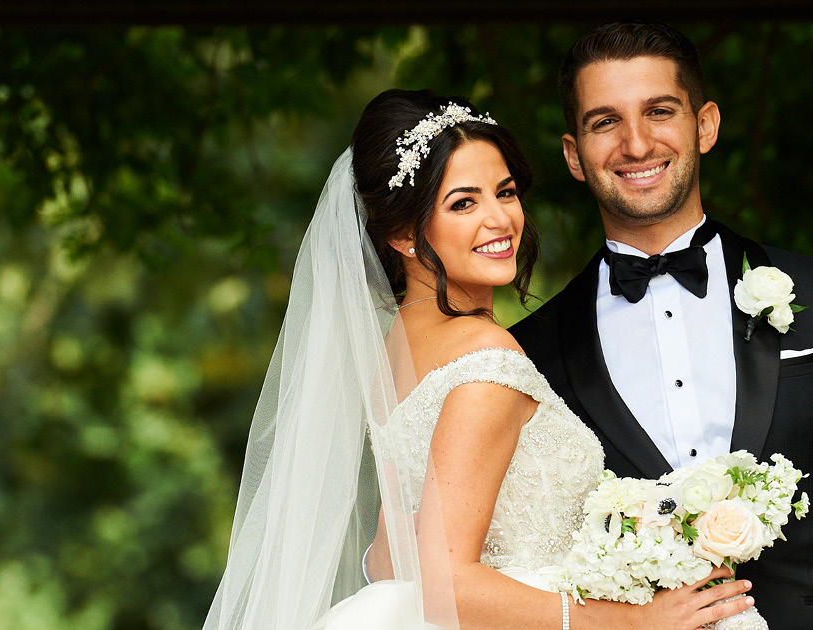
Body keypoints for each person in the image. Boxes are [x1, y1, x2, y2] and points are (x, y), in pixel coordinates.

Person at [202, 89, 755, 630]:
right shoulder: (487, 361)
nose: (499, 220)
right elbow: (448, 588)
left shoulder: (395, 349)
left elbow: (386, 558)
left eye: (506, 192)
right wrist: (635, 623)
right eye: (463, 203)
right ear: (401, 233)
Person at [510, 21, 813, 630]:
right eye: (605, 121)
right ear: (573, 154)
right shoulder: (530, 352)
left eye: (659, 111)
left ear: (705, 125)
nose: (636, 143)